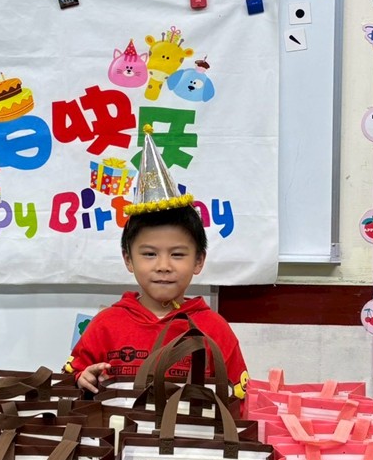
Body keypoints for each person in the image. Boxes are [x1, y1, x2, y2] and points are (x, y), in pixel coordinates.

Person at [65, 126, 249, 399]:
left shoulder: (214, 328)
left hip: (189, 428)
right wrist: (84, 378)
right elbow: (73, 377)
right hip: (116, 427)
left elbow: (238, 397)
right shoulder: (106, 324)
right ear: (128, 259)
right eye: (149, 254)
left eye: (178, 254)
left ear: (199, 260)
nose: (163, 265)